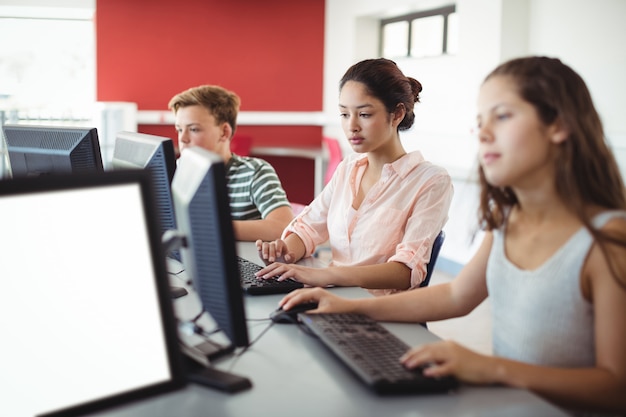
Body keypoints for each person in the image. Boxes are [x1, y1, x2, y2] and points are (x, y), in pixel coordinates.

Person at [278, 56, 626, 416]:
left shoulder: (609, 241)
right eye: (479, 121)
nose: (483, 133)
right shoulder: (510, 221)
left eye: (502, 116)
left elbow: (618, 388)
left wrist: (492, 369)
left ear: (559, 125)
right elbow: (459, 294)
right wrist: (349, 307)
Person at [255, 58, 454, 295]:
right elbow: (307, 227)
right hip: (332, 296)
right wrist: (285, 252)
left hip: (381, 312)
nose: (352, 126)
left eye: (365, 114)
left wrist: (326, 275)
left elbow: (406, 271)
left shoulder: (431, 181)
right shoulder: (348, 168)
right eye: (344, 114)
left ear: (397, 114)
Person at [168, 85, 294, 241]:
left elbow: (283, 227)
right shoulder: (175, 171)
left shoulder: (255, 172)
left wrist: (208, 227)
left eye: (193, 129)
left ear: (224, 132)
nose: (182, 139)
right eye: (179, 129)